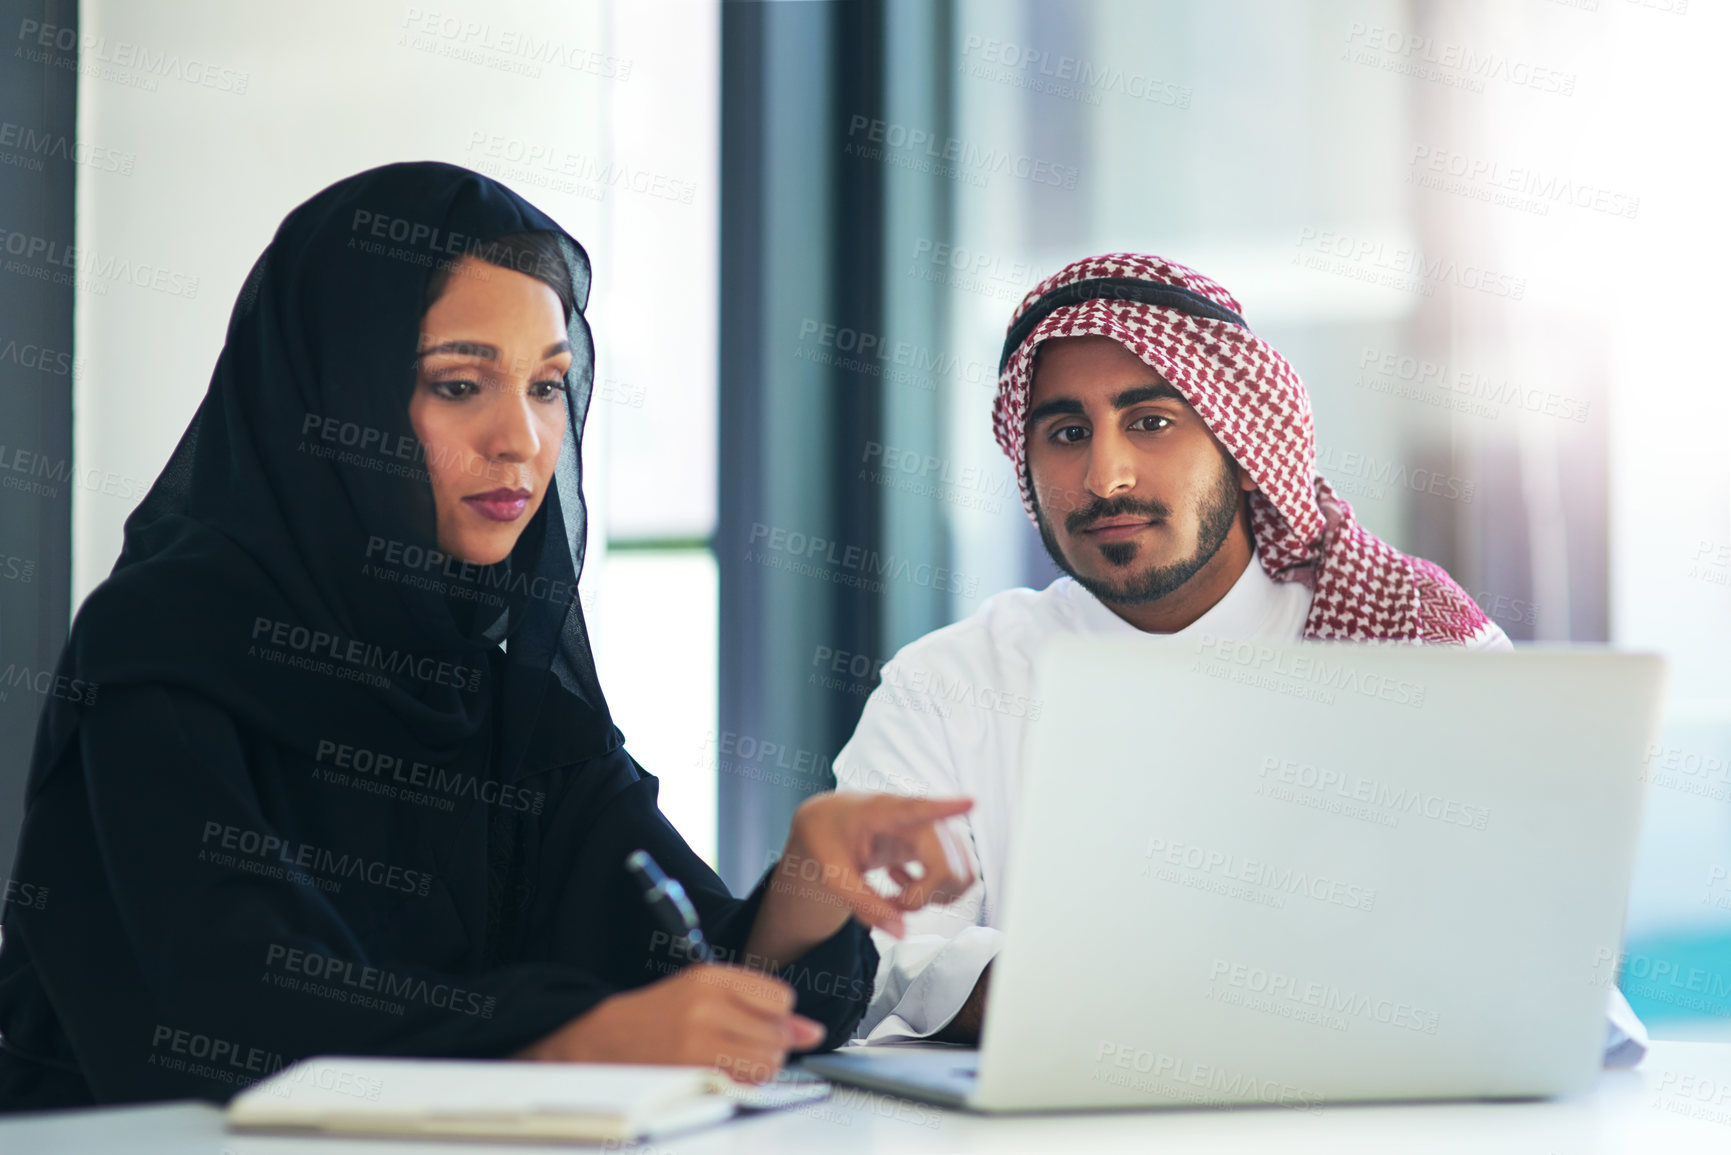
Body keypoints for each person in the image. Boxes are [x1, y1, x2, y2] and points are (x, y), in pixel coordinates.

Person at [0, 162, 972, 1111]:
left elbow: (695, 984)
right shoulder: (158, 647)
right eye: (461, 385)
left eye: (548, 386)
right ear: (331, 401)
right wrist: (561, 1038)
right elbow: (236, 1011)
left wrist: (808, 884)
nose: (521, 438)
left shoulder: (500, 695)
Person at [832, 252, 1647, 1065]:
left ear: (1239, 438)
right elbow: (888, 956)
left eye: (1150, 421)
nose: (1105, 475)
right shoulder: (945, 685)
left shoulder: (1411, 641)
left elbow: (1532, 960)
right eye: (1066, 433)